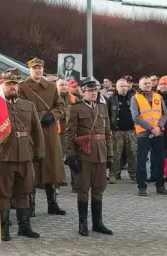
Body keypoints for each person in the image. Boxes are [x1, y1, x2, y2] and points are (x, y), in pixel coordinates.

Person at [0, 68, 44, 241]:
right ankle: (4, 228)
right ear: (2, 85)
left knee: (24, 192)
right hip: (4, 155)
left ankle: (24, 226)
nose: (12, 87)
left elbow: (37, 132)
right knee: (4, 194)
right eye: (9, 84)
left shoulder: (28, 105)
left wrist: (39, 153)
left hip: (25, 154)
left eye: (15, 84)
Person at [18, 57, 67, 217]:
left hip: (50, 132)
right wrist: (37, 117)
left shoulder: (52, 87)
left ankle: (52, 203)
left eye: (40, 68)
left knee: (51, 166)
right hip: (32, 133)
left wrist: (53, 115)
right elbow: (21, 108)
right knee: (32, 168)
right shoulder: (23, 87)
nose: (38, 71)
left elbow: (60, 105)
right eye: (35, 68)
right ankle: (30, 204)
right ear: (30, 70)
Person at [65, 77, 113, 236]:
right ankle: (83, 223)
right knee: (83, 189)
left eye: (95, 90)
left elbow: (108, 133)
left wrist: (110, 155)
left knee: (99, 188)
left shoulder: (102, 108)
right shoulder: (75, 109)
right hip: (84, 153)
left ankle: (97, 223)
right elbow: (70, 133)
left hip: (101, 153)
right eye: (90, 90)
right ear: (82, 92)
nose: (93, 93)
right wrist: (71, 155)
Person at [130, 76, 167, 196]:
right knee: (141, 161)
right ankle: (142, 187)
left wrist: (159, 127)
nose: (147, 85)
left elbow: (164, 113)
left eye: (149, 83)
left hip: (158, 133)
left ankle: (160, 186)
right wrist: (151, 128)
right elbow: (135, 117)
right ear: (140, 85)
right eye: (145, 83)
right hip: (143, 134)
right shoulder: (135, 98)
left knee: (159, 160)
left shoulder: (158, 96)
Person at [107, 78, 136, 184]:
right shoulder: (111, 99)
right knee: (115, 154)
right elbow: (108, 115)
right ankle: (113, 174)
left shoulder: (133, 98)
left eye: (125, 86)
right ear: (116, 88)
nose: (124, 88)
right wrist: (109, 128)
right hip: (116, 131)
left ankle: (134, 175)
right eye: (121, 86)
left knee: (133, 153)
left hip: (131, 131)